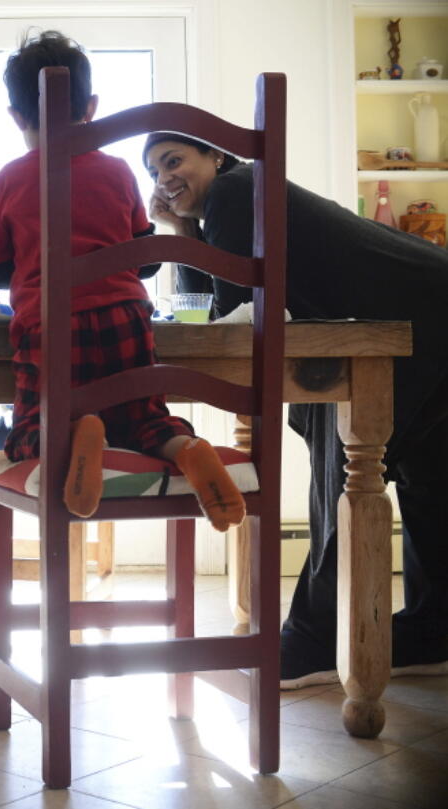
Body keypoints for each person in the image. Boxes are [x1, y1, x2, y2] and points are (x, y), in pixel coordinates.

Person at [143, 131, 448, 688]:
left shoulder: (236, 192)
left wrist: (188, 236)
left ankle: (310, 640)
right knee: (428, 478)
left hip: (409, 318)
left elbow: (230, 320)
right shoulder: (231, 203)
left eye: (173, 160)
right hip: (426, 303)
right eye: (154, 172)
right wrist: (181, 231)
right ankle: (432, 633)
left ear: (216, 155)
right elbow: (214, 311)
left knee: (344, 473)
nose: (163, 179)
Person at [0, 31, 246, 528]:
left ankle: (76, 433)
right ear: (92, 107)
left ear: (14, 116)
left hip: (49, 326)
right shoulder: (119, 171)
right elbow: (144, 259)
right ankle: (187, 448)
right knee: (145, 419)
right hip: (127, 321)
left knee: (33, 426)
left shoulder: (10, 177)